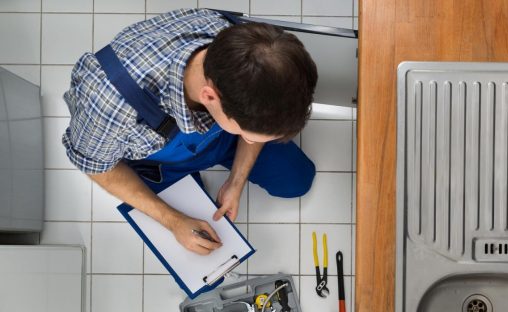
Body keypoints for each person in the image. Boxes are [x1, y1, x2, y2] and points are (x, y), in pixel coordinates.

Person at [62, 8, 318, 255]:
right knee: (204, 259)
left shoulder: (251, 46)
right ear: (209, 96)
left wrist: (236, 181)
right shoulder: (110, 101)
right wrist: (173, 221)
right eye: (249, 136)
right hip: (158, 162)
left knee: (296, 180)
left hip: (220, 134)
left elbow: (256, 113)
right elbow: (99, 168)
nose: (250, 141)